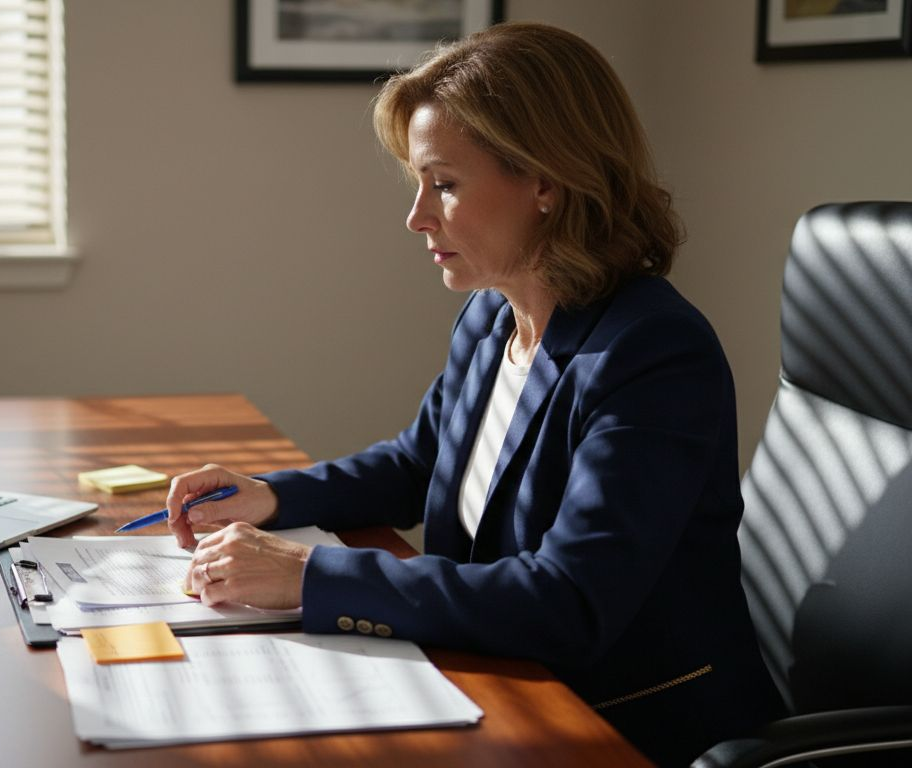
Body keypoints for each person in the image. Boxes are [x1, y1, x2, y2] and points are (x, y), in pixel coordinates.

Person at [165, 21, 784, 766]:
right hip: (495, 682)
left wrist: (308, 573)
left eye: (446, 185)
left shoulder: (652, 353)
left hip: (620, 725)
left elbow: (569, 603)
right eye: (419, 183)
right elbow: (419, 463)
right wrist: (270, 496)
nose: (416, 215)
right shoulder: (495, 313)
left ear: (546, 182)